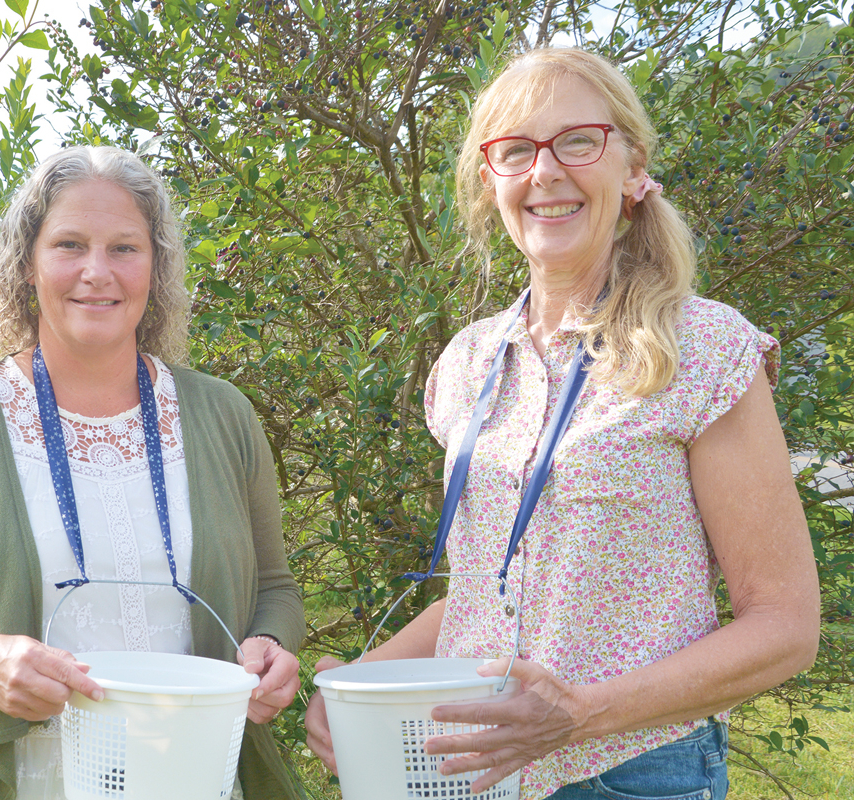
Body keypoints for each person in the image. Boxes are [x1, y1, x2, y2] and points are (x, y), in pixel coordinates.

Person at [305, 48, 819, 800]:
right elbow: (497, 588)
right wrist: (362, 678)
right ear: (490, 184)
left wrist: (579, 715)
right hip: (467, 773)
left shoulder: (706, 350)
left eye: (577, 141)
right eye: (515, 151)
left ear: (632, 167)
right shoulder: (466, 364)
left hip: (627, 773)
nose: (544, 172)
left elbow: (784, 627)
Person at [0, 146, 306, 800]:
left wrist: (269, 642)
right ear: (26, 266)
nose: (98, 272)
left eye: (125, 248)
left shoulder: (222, 415)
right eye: (69, 245)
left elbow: (276, 586)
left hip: (195, 775)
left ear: (157, 268)